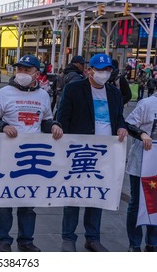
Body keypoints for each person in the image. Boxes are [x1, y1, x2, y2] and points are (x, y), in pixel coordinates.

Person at [0, 55, 63, 252]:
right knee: (4, 200)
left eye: (27, 70)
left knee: (28, 202)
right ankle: (4, 240)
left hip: (32, 159)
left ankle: (26, 240)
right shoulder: (3, 93)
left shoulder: (43, 96)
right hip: (7, 156)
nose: (22, 73)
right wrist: (3, 126)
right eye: (19, 69)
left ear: (37, 74)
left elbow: (45, 120)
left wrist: (53, 126)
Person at [57, 53, 128, 252]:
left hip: (105, 154)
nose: (103, 74)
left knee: (96, 195)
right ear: (89, 70)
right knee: (73, 194)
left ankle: (92, 237)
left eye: (107, 70)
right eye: (99, 70)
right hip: (79, 151)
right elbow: (63, 117)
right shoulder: (74, 89)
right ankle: (68, 237)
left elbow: (119, 118)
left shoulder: (113, 93)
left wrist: (121, 127)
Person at [125, 92, 157, 252]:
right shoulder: (147, 104)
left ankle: (152, 242)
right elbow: (129, 124)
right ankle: (134, 243)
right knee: (137, 203)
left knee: (155, 203)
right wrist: (142, 134)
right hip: (142, 161)